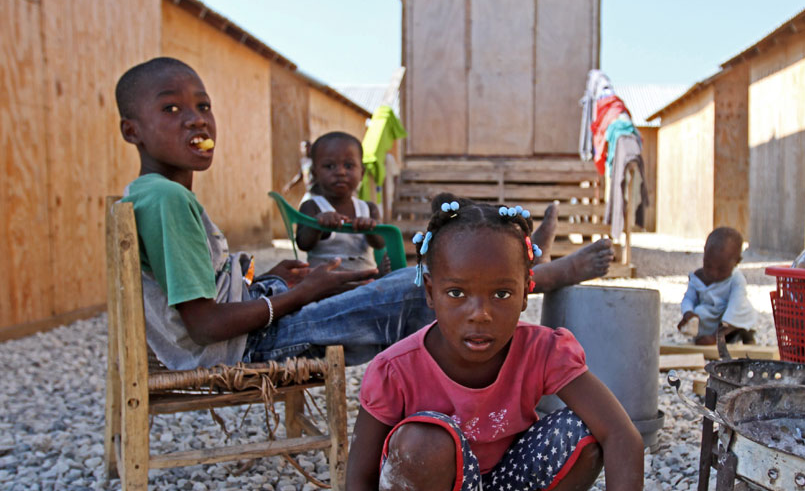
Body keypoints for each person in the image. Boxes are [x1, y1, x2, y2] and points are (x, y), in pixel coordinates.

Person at [114, 57, 616, 371]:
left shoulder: (155, 194)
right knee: (408, 288)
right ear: (131, 130)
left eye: (202, 105)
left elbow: (202, 297)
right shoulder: (166, 199)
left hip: (248, 321)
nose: (197, 118)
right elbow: (203, 327)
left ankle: (513, 256)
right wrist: (300, 294)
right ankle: (536, 273)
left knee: (366, 280)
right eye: (172, 109)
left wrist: (272, 281)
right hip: (243, 347)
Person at [345, 194, 646, 491]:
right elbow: (358, 478)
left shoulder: (543, 351)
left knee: (587, 431)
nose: (480, 313)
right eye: (456, 293)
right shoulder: (395, 370)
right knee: (425, 441)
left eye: (502, 293)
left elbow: (624, 437)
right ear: (430, 291)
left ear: (528, 289)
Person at [296, 131, 388, 274]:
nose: (340, 172)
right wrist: (317, 225)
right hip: (325, 287)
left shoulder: (369, 209)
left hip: (365, 284)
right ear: (314, 174)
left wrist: (370, 228)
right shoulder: (312, 206)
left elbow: (381, 243)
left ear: (362, 173)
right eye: (330, 166)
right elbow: (303, 244)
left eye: (349, 165)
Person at [677, 226, 756, 345]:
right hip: (711, 317)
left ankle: (744, 335)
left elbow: (735, 307)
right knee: (700, 312)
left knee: (744, 310)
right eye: (708, 265)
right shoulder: (697, 277)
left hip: (731, 319)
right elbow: (688, 298)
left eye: (721, 269)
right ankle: (705, 336)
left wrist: (716, 337)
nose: (713, 273)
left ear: (737, 262)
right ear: (704, 253)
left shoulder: (736, 279)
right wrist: (688, 313)